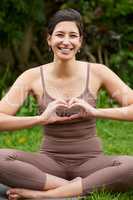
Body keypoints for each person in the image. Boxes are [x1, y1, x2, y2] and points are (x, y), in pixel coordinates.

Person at [0, 8, 133, 200]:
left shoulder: (98, 72)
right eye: (59, 35)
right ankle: (72, 189)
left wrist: (96, 112)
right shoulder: (32, 77)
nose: (66, 41)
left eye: (73, 36)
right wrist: (40, 118)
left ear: (80, 42)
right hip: (48, 164)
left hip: (91, 162)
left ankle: (43, 195)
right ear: (49, 40)